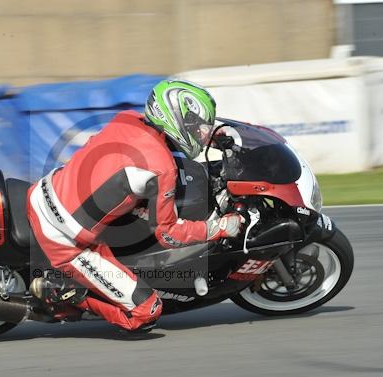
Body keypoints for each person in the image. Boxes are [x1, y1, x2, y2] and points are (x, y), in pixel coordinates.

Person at [27, 79, 243, 332]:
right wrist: (219, 228)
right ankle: (68, 295)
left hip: (45, 190)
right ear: (176, 119)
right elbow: (168, 234)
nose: (201, 133)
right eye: (197, 127)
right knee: (146, 312)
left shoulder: (127, 118)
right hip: (65, 241)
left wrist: (211, 137)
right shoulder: (161, 168)